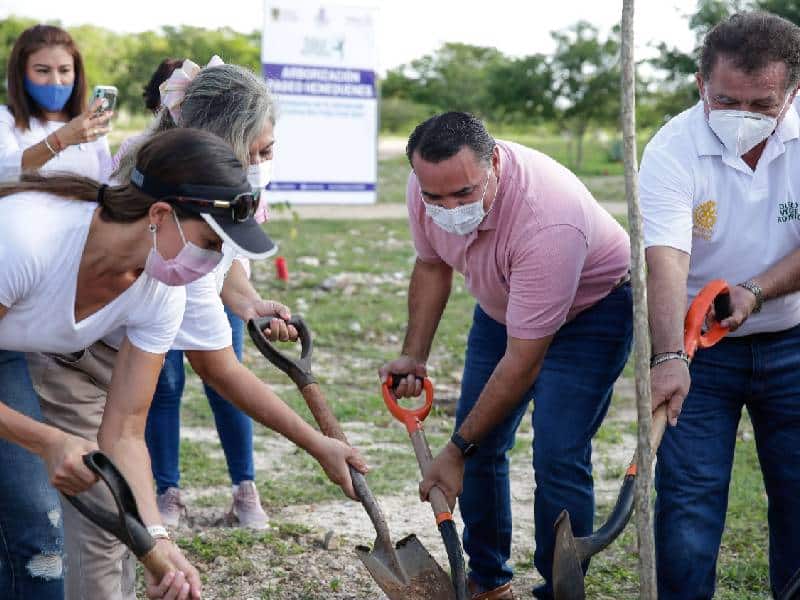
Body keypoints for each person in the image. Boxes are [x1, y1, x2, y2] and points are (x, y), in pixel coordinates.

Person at [25, 58, 367, 600]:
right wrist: (318, 444)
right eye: (258, 152)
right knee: (90, 535)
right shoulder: (141, 235)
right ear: (220, 146)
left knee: (126, 529)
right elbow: (218, 366)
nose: (262, 165)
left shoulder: (182, 234)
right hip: (66, 359)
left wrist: (159, 543)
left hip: (107, 361)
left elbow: (127, 429)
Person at [0, 126, 277, 600]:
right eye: (210, 246)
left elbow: (125, 429)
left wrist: (157, 539)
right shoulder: (26, 238)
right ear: (160, 214)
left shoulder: (160, 291)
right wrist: (46, 441)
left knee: (41, 548)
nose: (212, 267)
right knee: (33, 530)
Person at [379, 112, 632, 600]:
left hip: (593, 311)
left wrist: (453, 454)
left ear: (494, 162)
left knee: (557, 451)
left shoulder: (547, 217)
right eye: (435, 197)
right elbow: (432, 265)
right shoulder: (425, 186)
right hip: (505, 307)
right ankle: (489, 581)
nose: (448, 207)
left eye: (464, 194)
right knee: (482, 443)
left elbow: (523, 362)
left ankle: (561, 588)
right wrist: (414, 355)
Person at [639, 11, 800, 599]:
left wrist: (756, 291)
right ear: (701, 83)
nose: (743, 118)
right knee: (688, 503)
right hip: (696, 348)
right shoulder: (671, 150)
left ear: (792, 93)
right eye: (727, 100)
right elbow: (666, 259)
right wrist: (665, 358)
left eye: (762, 106)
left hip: (792, 340)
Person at [116, 57, 278, 529]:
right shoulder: (160, 249)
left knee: (221, 381)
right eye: (259, 152)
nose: (263, 164)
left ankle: (244, 488)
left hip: (210, 282)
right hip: (162, 293)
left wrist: (248, 304)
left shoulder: (234, 193)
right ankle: (164, 494)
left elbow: (222, 263)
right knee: (161, 386)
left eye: (269, 152)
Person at [0, 24, 113, 182]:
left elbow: (107, 181)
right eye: (43, 71)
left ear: (76, 73)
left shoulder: (88, 124)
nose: (56, 81)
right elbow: (5, 172)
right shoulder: (5, 117)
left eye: (64, 70)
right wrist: (62, 138)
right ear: (21, 74)